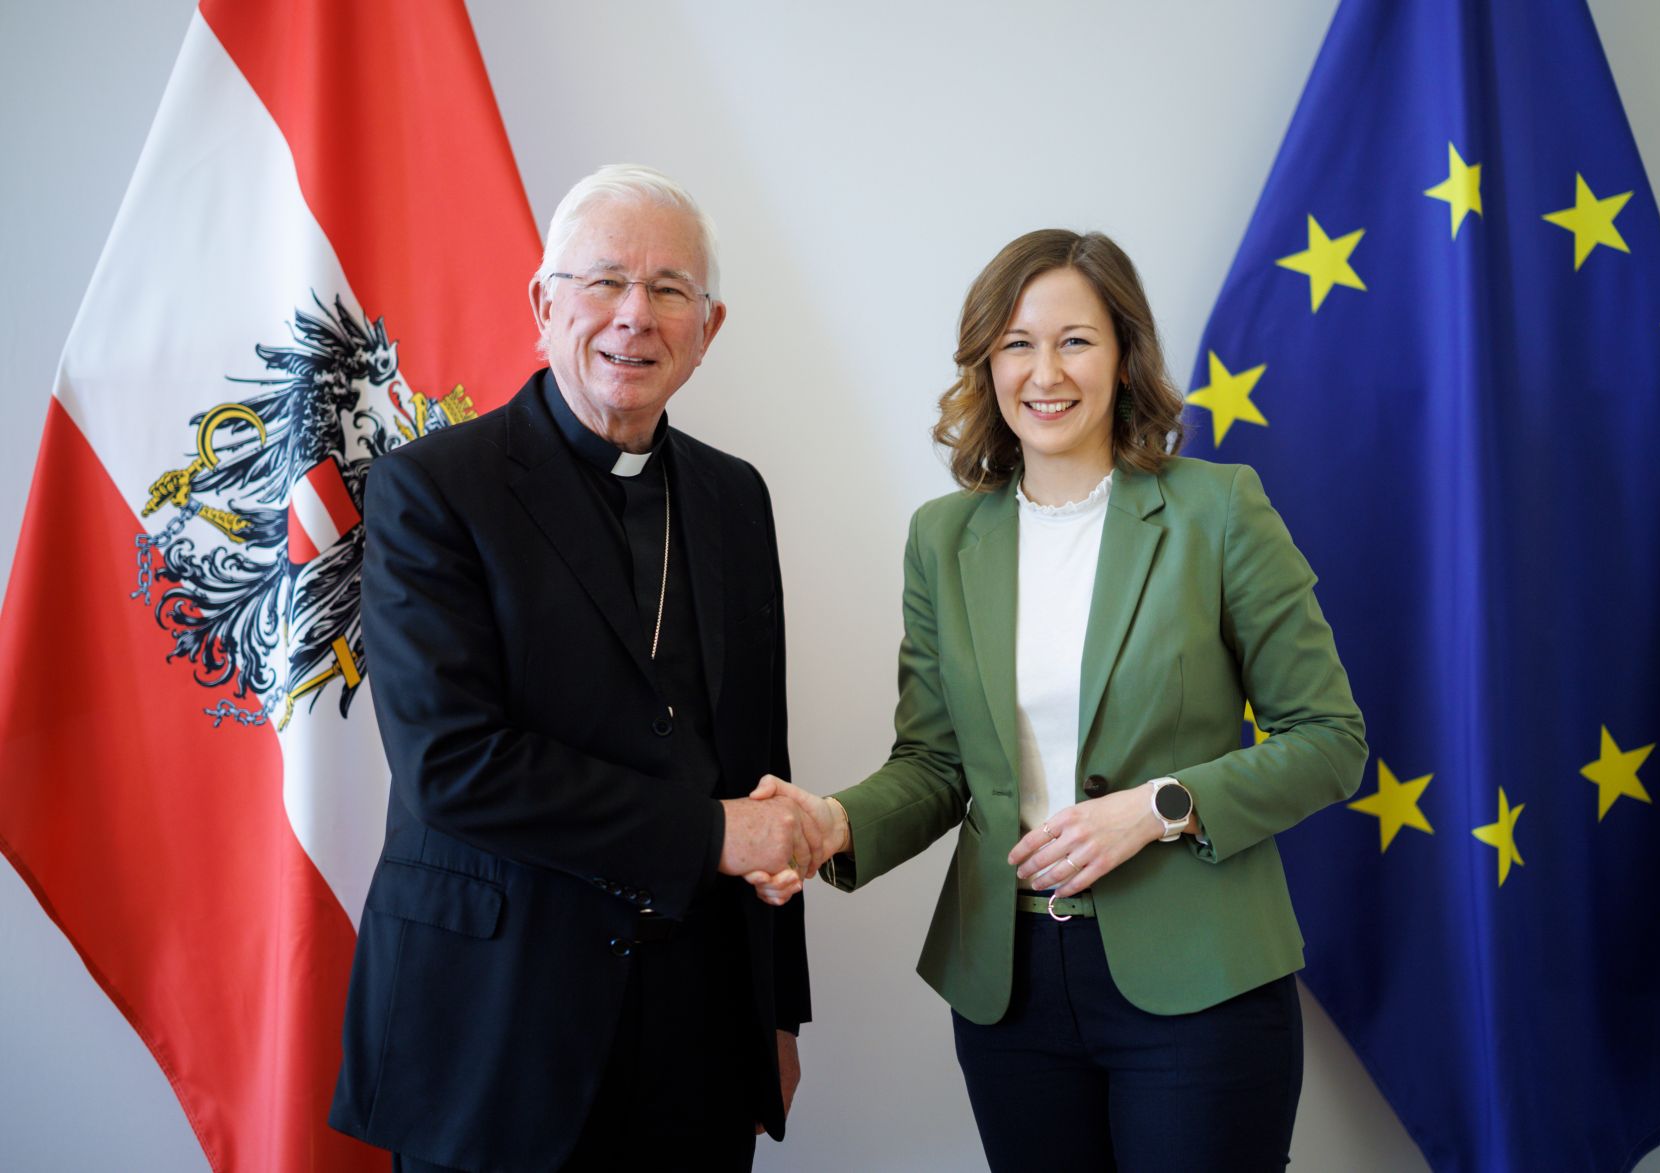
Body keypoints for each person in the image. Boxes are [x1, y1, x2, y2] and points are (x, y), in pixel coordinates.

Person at [760, 229, 1367, 1170]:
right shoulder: (943, 537)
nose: (1045, 371)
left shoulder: (1219, 510)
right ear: (987, 365)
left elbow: (1330, 739)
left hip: (1201, 985)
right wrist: (833, 822)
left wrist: (1159, 808)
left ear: (1125, 356)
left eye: (1075, 340)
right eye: (1016, 343)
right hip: (1011, 990)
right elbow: (934, 762)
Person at [329, 164, 816, 1172]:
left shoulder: (733, 498)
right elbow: (453, 765)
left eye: (669, 290)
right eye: (603, 282)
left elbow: (759, 761)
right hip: (493, 1025)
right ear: (544, 306)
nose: (634, 316)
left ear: (708, 328)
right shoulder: (433, 490)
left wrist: (779, 1013)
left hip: (696, 1029)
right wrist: (708, 833)